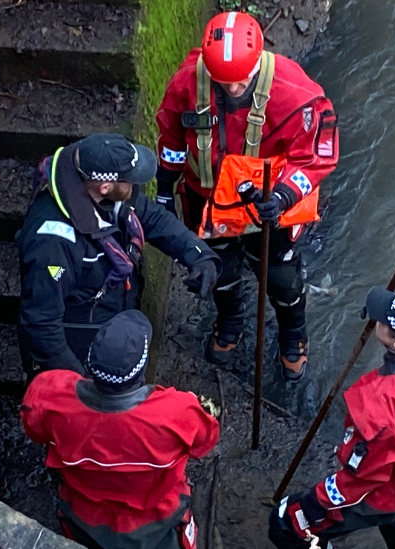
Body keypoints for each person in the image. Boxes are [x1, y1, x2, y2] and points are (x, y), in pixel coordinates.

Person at [155, 11, 339, 381]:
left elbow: (318, 155)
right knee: (219, 271)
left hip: (267, 206)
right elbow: (172, 140)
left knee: (282, 278)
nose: (234, 91)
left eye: (242, 82)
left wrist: (286, 195)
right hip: (208, 201)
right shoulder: (187, 84)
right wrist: (164, 190)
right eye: (225, 84)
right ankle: (231, 322)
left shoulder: (296, 94)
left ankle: (292, 336)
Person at [269, 287, 395, 549]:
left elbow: (363, 477)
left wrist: (316, 502)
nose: (378, 320)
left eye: (383, 322)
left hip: (390, 491)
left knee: (285, 523)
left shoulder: (381, 406)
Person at [17, 133, 221, 379]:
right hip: (80, 338)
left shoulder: (103, 188)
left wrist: (197, 253)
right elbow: (42, 324)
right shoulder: (52, 247)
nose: (136, 186)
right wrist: (78, 382)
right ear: (104, 187)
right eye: (130, 181)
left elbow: (153, 217)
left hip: (113, 307)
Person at [21, 310, 220, 549]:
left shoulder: (48, 395)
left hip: (85, 513)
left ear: (89, 361)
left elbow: (35, 431)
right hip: (157, 515)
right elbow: (204, 442)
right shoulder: (178, 412)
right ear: (142, 367)